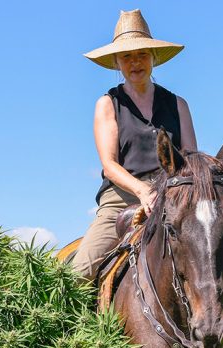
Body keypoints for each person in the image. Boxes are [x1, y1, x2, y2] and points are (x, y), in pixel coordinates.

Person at [72, 9, 195, 281]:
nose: (135, 62)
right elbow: (109, 163)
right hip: (122, 199)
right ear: (117, 62)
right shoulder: (108, 104)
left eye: (141, 54)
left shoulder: (179, 105)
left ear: (153, 58)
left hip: (173, 197)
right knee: (77, 275)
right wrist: (142, 190)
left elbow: (189, 160)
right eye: (127, 56)